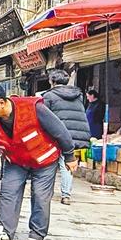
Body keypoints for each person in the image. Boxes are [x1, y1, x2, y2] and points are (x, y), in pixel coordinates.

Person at [0, 83, 76, 240]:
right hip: (16, 161)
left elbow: (60, 130)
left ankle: (36, 236)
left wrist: (69, 155)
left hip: (44, 160)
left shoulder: (33, 108)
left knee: (40, 196)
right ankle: (4, 232)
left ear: (1, 103)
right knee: (8, 192)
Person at [42, 69, 91, 205]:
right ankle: (66, 195)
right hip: (72, 135)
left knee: (49, 164)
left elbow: (43, 116)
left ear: (52, 81)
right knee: (67, 163)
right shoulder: (78, 95)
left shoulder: (49, 96)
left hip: (55, 135)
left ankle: (45, 192)